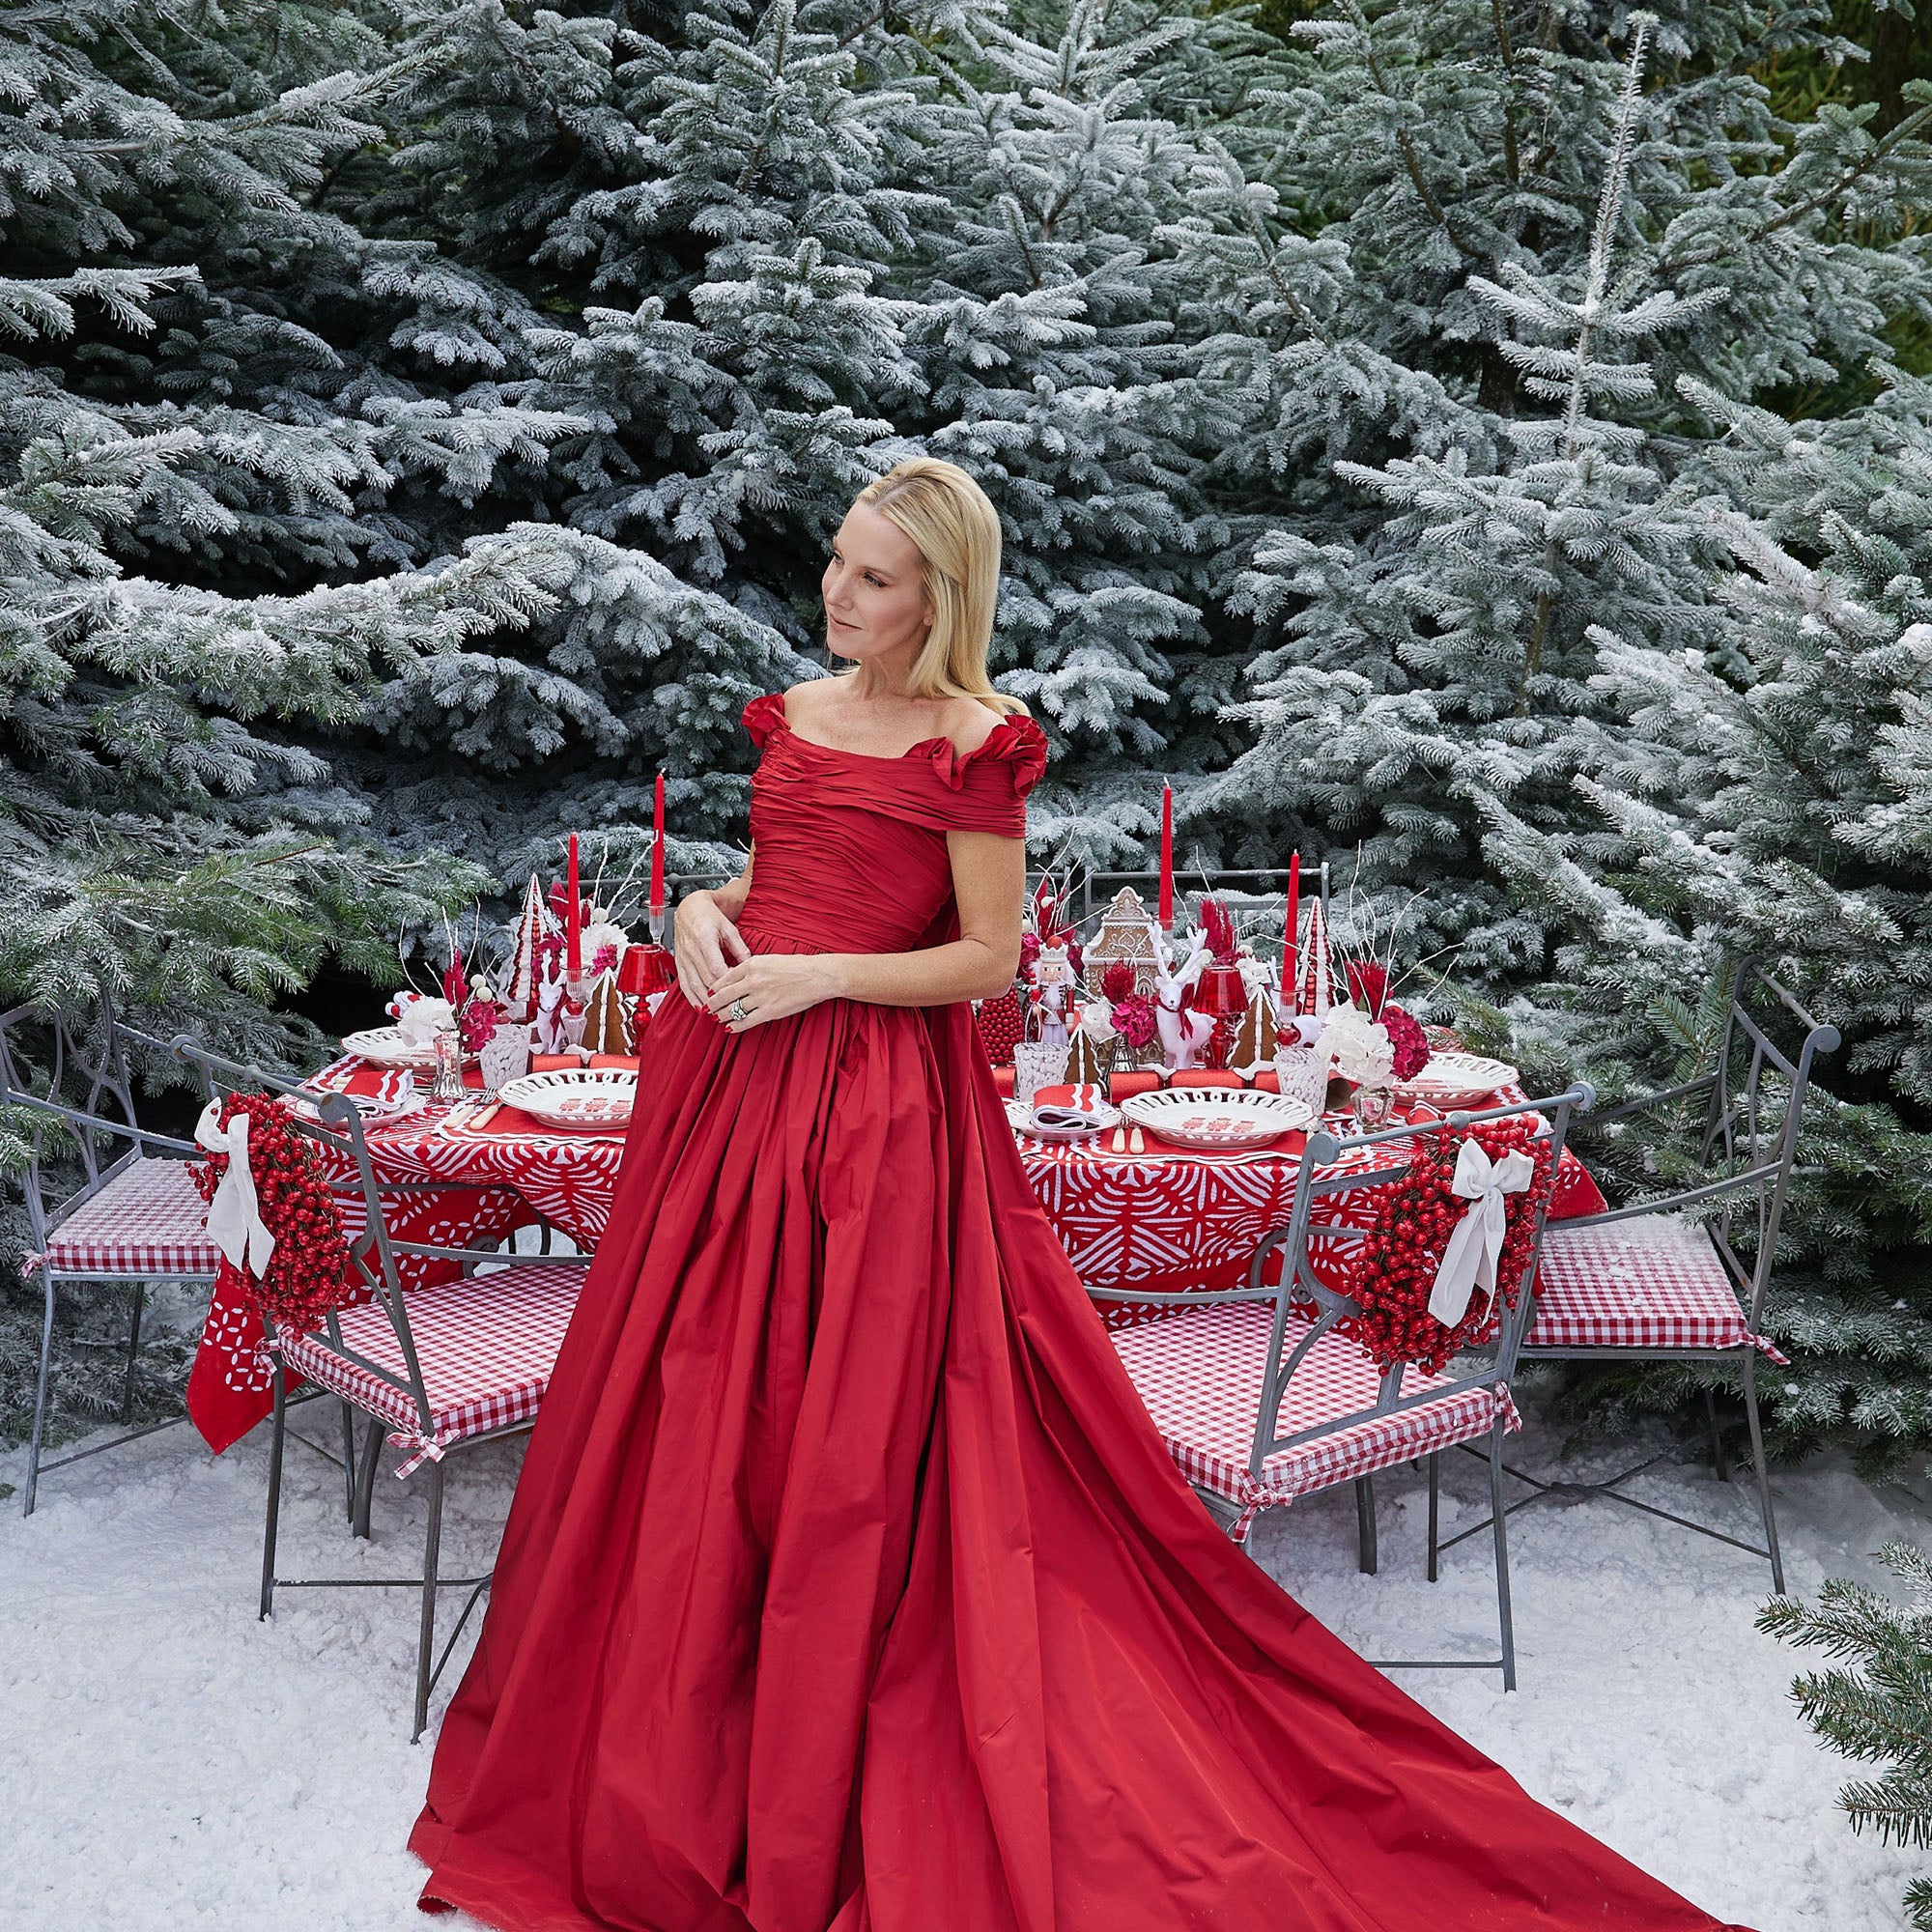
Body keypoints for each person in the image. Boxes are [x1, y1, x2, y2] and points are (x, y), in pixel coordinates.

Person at [411, 457, 1747, 1931]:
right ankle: (697, 1693)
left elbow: (985, 960)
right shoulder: (792, 716)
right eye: (839, 565)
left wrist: (821, 976)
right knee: (710, 1393)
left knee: (859, 1417)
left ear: (940, 594)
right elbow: (771, 873)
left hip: (878, 1111)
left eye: (871, 576)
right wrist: (697, 910)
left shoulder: (980, 747)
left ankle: (836, 1692)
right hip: (729, 1104)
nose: (836, 594)